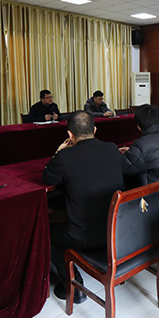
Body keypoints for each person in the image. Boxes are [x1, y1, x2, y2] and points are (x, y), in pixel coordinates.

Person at [42, 111, 124, 304]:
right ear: (94, 130)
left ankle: (74, 285)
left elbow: (47, 177)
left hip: (85, 237)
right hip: (116, 231)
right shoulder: (112, 148)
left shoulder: (65, 157)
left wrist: (59, 151)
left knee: (46, 233)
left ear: (70, 134)